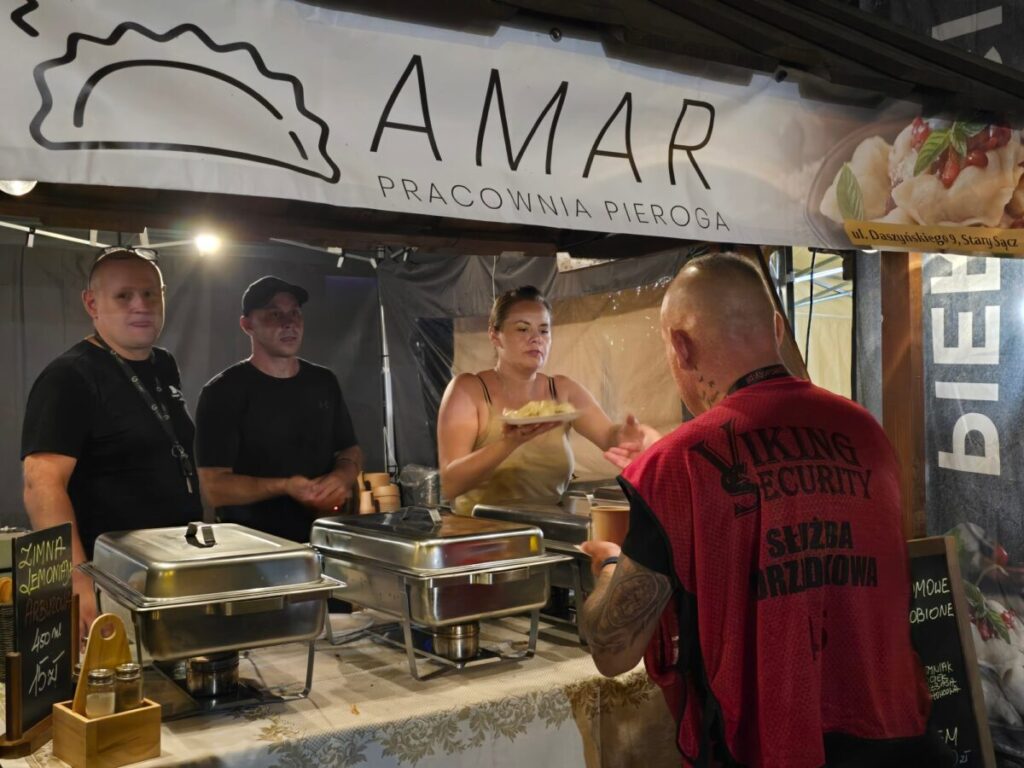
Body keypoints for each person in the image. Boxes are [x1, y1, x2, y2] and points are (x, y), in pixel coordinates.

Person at [579, 254, 952, 768]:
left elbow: (612, 649)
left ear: (681, 346)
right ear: (777, 328)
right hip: (899, 744)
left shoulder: (675, 467)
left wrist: (609, 564)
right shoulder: (867, 432)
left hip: (764, 751)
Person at [22, 246, 202, 639]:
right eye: (124, 296)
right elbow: (40, 485)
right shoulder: (70, 376)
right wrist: (76, 580)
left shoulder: (162, 364)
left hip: (169, 573)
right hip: (109, 581)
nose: (141, 305)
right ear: (92, 303)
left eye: (150, 293)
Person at [437, 285, 658, 515]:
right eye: (523, 329)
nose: (536, 339)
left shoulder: (562, 390)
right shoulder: (469, 390)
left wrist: (626, 437)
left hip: (549, 527)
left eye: (544, 331)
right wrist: (509, 442)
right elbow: (450, 484)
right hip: (481, 529)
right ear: (495, 335)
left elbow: (608, 435)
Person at [195, 276, 361, 542]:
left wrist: (343, 476)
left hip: (324, 538)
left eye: (295, 313)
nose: (289, 323)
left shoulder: (323, 381)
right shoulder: (223, 391)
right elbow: (214, 488)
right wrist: (286, 486)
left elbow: (349, 449)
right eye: (274, 314)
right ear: (247, 325)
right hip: (253, 546)